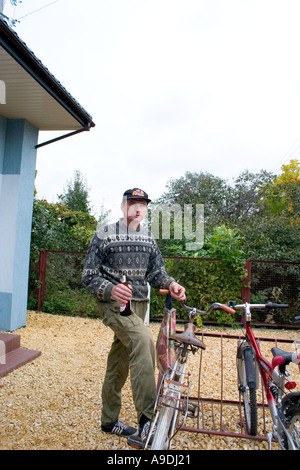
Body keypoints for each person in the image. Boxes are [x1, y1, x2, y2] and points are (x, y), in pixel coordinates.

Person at [82, 188, 186, 446]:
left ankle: (109, 421)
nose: (138, 208)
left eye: (143, 204)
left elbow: (156, 273)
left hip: (139, 305)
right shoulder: (103, 234)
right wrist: (110, 288)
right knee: (143, 341)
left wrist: (171, 283)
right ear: (122, 206)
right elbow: (88, 275)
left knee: (120, 360)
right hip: (115, 305)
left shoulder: (149, 238)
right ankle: (147, 421)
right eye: (133, 203)